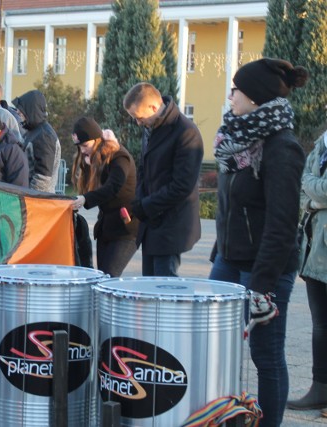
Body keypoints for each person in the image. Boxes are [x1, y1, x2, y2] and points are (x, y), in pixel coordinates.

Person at [209, 58, 308, 427]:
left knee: (266, 357)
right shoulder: (236, 141)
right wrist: (221, 249)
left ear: (255, 98)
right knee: (214, 344)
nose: (231, 96)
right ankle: (222, 416)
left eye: (236, 90)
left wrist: (262, 285)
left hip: (266, 269)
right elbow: (231, 206)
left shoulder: (282, 148)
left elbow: (282, 224)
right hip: (229, 260)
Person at [124, 82, 203, 276]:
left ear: (153, 107)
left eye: (139, 117)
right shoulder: (151, 127)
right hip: (151, 222)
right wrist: (138, 201)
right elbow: (144, 168)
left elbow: (182, 186)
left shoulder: (186, 132)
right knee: (149, 287)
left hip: (171, 224)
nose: (138, 123)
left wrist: (146, 206)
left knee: (163, 290)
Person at [286, 128, 327, 412]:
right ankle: (320, 387)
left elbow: (320, 188)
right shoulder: (322, 143)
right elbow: (304, 184)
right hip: (316, 249)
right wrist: (316, 196)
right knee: (320, 325)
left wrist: (314, 193)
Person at [70, 117, 138, 277]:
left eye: (85, 146)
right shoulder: (94, 159)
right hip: (106, 229)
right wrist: (88, 168)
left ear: (97, 140)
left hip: (126, 229)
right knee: (101, 278)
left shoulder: (120, 157)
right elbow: (91, 187)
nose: (82, 151)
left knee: (108, 277)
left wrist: (85, 199)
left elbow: (112, 187)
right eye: (79, 147)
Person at [12, 89, 61, 193]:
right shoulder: (34, 132)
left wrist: (30, 199)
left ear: (31, 109)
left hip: (38, 202)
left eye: (21, 108)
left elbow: (42, 179)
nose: (18, 111)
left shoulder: (44, 136)